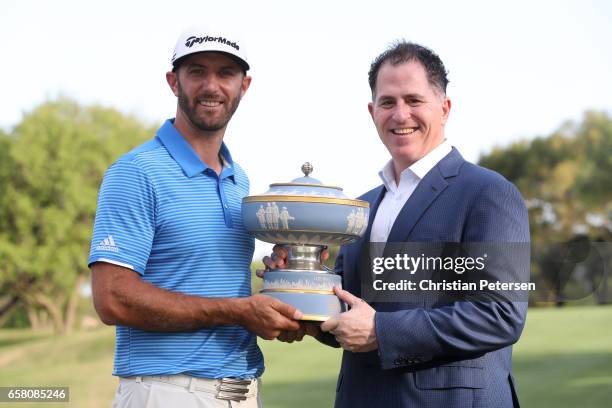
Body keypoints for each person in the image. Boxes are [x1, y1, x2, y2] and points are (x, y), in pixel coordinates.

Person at [264, 41, 529, 407]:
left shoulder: (488, 192)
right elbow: (349, 313)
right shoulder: (363, 206)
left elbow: (500, 314)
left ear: (445, 108)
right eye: (388, 102)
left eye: (414, 100)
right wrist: (301, 288)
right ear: (372, 111)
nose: (400, 114)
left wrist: (380, 331)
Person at [89, 25, 304, 408]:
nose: (211, 86)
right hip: (167, 390)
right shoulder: (136, 172)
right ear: (174, 82)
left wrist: (278, 283)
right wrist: (239, 312)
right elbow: (112, 299)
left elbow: (216, 279)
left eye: (225, 74)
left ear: (244, 86)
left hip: (242, 392)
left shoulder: (240, 181)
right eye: (197, 72)